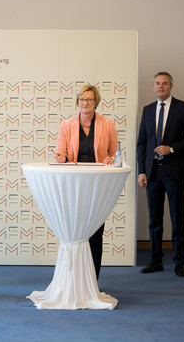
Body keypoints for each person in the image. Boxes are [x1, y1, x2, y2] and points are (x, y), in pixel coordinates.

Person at [137, 71, 184, 277]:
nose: (161, 87)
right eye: (157, 83)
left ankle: (179, 263)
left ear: (171, 86)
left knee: (177, 218)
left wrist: (171, 149)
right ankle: (155, 261)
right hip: (152, 173)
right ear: (153, 86)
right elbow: (142, 144)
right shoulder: (147, 110)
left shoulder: (183, 108)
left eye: (165, 84)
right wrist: (142, 171)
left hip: (174, 172)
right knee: (154, 220)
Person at [53, 84, 117, 280]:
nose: (85, 103)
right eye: (82, 99)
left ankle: (92, 281)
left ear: (96, 102)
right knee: (75, 234)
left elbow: (114, 153)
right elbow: (60, 151)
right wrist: (60, 156)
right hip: (74, 186)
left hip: (98, 186)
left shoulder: (107, 124)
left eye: (89, 99)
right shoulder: (66, 125)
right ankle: (73, 280)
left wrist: (110, 159)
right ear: (77, 102)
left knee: (96, 235)